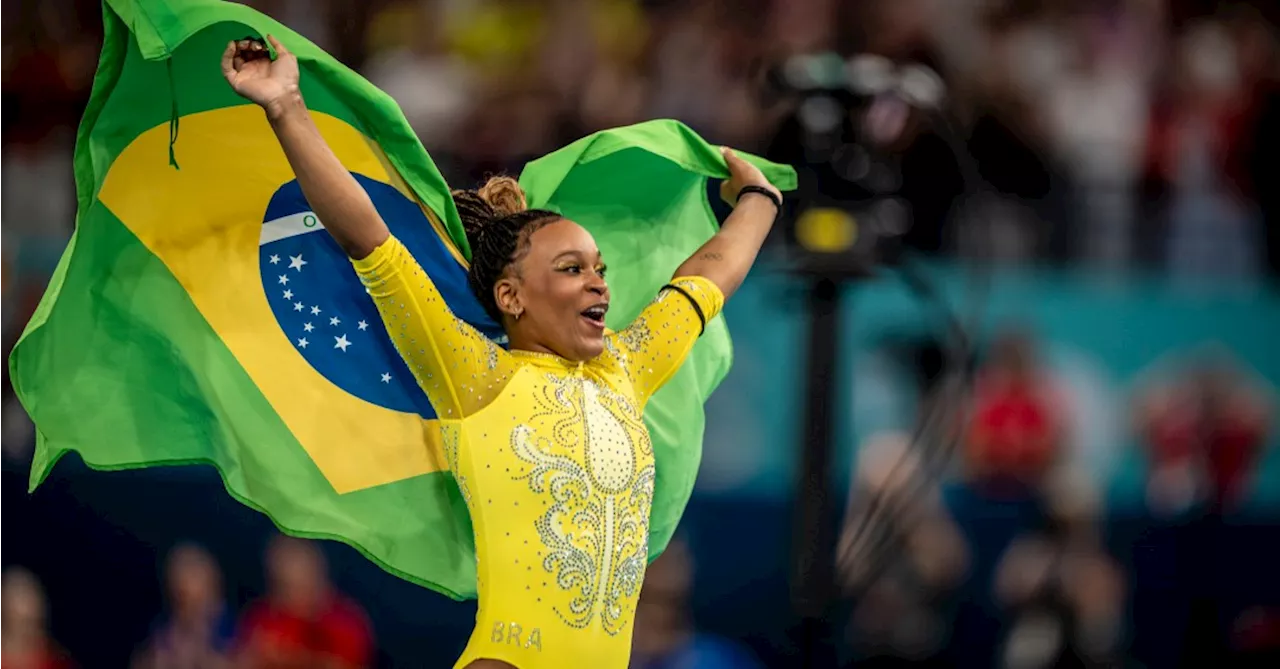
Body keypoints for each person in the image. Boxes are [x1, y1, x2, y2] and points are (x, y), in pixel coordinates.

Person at [221, 35, 783, 669]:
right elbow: (367, 238)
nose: (599, 281)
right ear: (512, 296)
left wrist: (761, 199)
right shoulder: (476, 375)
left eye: (599, 267)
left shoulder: (626, 368)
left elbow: (704, 281)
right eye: (572, 268)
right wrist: (286, 108)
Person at [235, 536, 373, 669]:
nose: (293, 592)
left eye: (298, 582)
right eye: (283, 584)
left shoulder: (345, 620)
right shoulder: (262, 618)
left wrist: (292, 658)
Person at [132, 544, 236, 669]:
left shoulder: (233, 626)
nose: (181, 582)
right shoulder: (164, 628)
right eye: (175, 572)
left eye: (191, 571)